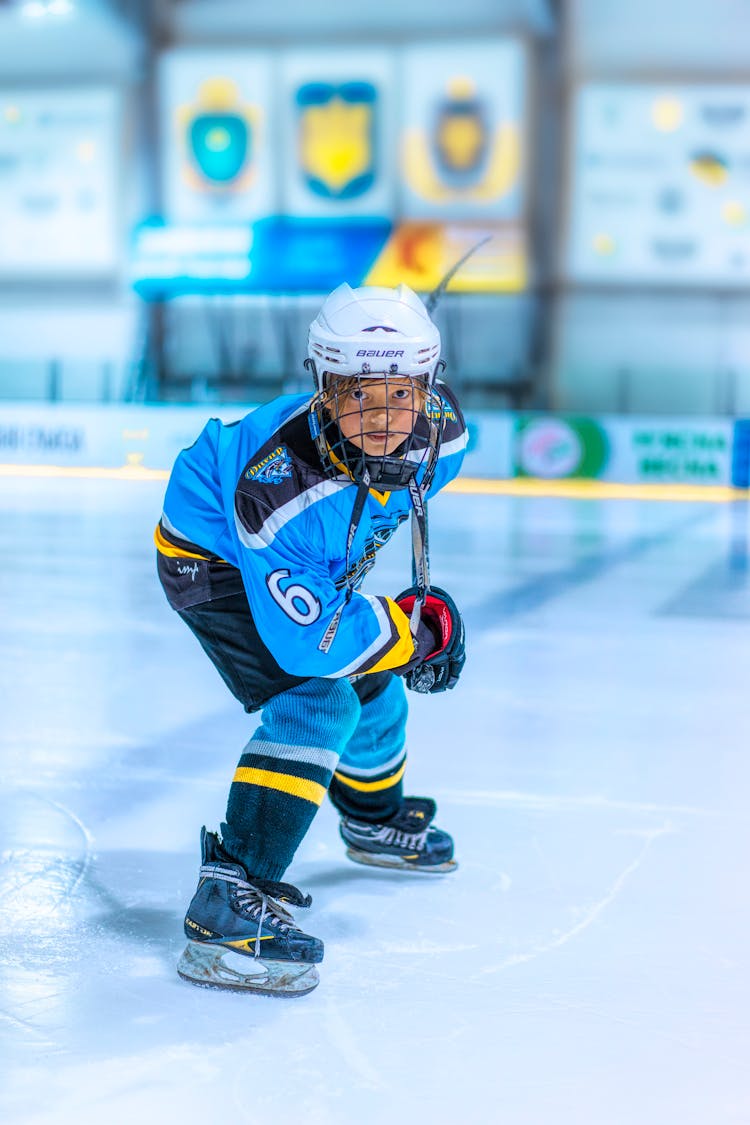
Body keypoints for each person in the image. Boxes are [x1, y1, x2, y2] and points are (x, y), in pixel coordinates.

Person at [155, 282, 468, 996]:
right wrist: (408, 630)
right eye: (362, 395)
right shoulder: (277, 496)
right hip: (217, 559)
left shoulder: (442, 433)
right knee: (320, 698)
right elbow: (311, 647)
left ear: (429, 386)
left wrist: (392, 635)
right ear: (325, 392)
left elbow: (374, 505)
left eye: (403, 393)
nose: (386, 419)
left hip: (296, 558)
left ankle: (372, 817)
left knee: (377, 688)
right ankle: (229, 892)